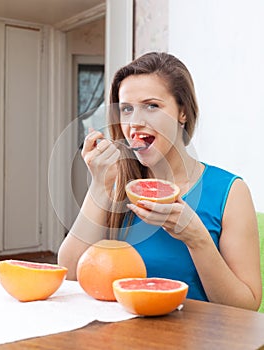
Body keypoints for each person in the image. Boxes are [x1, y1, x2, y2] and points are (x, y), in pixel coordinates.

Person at [58, 52, 262, 310]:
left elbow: (246, 307)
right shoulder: (116, 186)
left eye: (152, 106)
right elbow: (69, 274)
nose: (135, 122)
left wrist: (196, 238)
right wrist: (99, 186)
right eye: (127, 109)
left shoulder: (230, 192)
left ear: (183, 112)